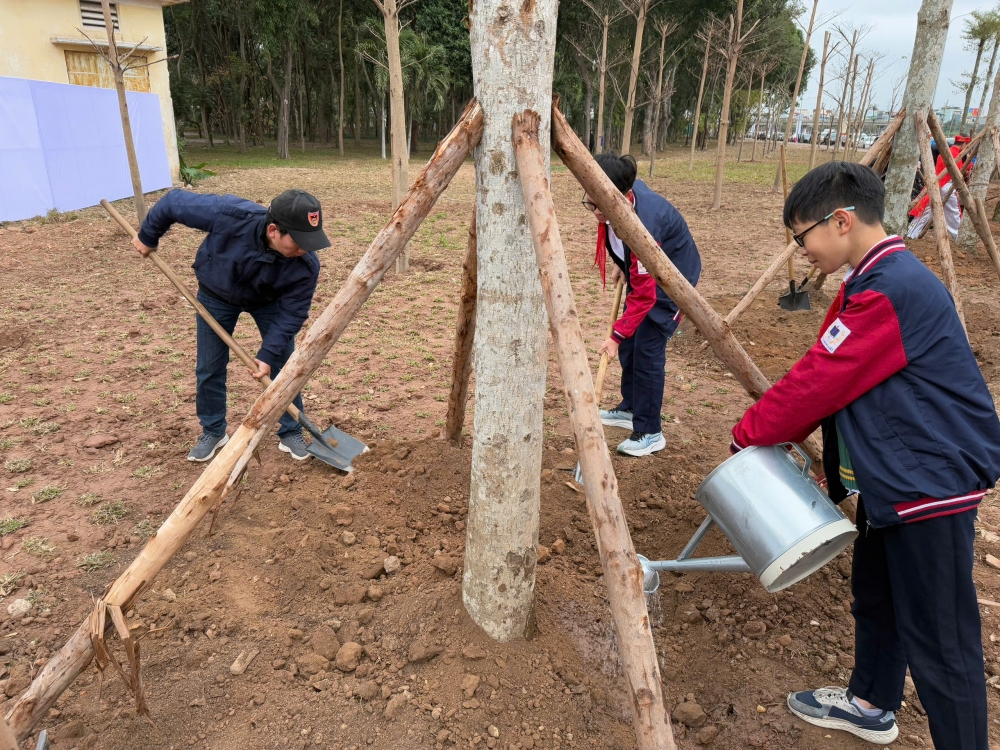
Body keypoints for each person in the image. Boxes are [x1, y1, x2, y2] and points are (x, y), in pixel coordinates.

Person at [730, 161, 1000, 748]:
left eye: (802, 237)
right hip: (894, 478)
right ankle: (871, 702)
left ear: (842, 220)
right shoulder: (877, 279)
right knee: (877, 595)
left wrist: (747, 433)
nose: (802, 252)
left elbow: (821, 380)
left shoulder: (891, 290)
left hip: (928, 482)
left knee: (942, 642)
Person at [132, 188, 330, 462]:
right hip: (216, 294)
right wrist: (147, 236)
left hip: (268, 302)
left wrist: (267, 355)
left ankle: (291, 431)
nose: (304, 249)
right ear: (273, 230)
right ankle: (213, 431)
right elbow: (173, 202)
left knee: (284, 367)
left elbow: (293, 314)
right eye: (297, 241)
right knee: (209, 366)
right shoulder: (231, 215)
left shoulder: (306, 264)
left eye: (310, 241)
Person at [582, 153, 701, 457]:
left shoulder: (642, 227)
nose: (593, 210)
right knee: (630, 345)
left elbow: (646, 295)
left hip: (675, 279)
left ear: (619, 195)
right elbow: (634, 260)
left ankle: (650, 431)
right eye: (589, 201)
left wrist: (614, 336)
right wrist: (626, 263)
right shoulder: (622, 201)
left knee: (647, 347)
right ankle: (631, 407)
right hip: (648, 269)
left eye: (597, 203)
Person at [906, 133, 969, 240]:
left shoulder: (948, 152)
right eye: (967, 145)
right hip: (945, 186)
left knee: (927, 211)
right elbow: (957, 173)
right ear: (963, 144)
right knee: (953, 213)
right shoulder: (955, 154)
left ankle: (910, 234)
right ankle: (959, 237)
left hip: (938, 184)